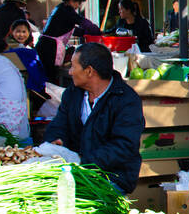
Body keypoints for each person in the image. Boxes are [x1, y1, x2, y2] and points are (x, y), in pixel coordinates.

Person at [41, 42, 144, 193]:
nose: (70, 72)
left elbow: (124, 146)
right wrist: (57, 140)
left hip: (111, 179)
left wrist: (82, 162)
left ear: (89, 71)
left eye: (73, 67)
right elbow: (59, 125)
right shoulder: (72, 94)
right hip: (74, 174)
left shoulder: (126, 100)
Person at [38, 0, 100, 80]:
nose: (78, 6)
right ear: (71, 1)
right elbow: (84, 23)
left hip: (45, 45)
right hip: (50, 48)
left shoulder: (60, 8)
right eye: (78, 3)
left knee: (47, 75)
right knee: (49, 77)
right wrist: (98, 32)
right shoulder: (67, 10)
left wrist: (85, 33)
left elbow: (68, 29)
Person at [3, 18, 47, 96]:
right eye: (18, 31)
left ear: (29, 33)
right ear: (12, 32)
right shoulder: (15, 49)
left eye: (24, 32)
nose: (21, 35)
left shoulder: (23, 48)